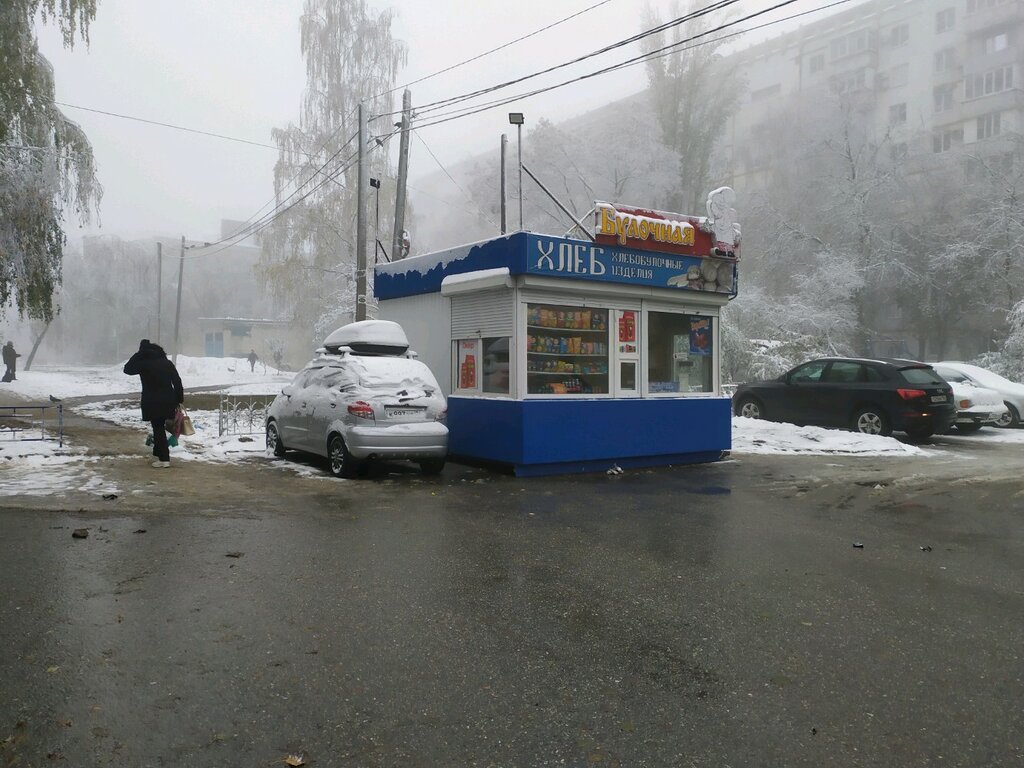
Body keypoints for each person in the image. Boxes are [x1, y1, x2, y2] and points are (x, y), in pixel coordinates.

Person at [123, 339, 184, 468]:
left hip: (152, 401)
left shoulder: (144, 364)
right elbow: (177, 381)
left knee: (158, 428)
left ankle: (164, 459)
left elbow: (127, 369)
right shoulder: (167, 363)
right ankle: (158, 453)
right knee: (159, 427)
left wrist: (139, 353)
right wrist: (179, 400)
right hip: (168, 400)